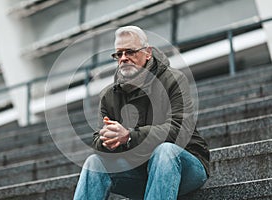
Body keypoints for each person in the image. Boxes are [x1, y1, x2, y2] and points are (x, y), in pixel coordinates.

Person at [73, 26, 209, 200]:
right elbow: (97, 140)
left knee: (165, 151)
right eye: (118, 54)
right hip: (139, 173)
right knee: (95, 163)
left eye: (130, 52)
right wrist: (107, 141)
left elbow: (180, 129)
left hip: (185, 166)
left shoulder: (174, 80)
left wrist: (129, 136)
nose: (123, 58)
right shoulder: (109, 95)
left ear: (148, 53)